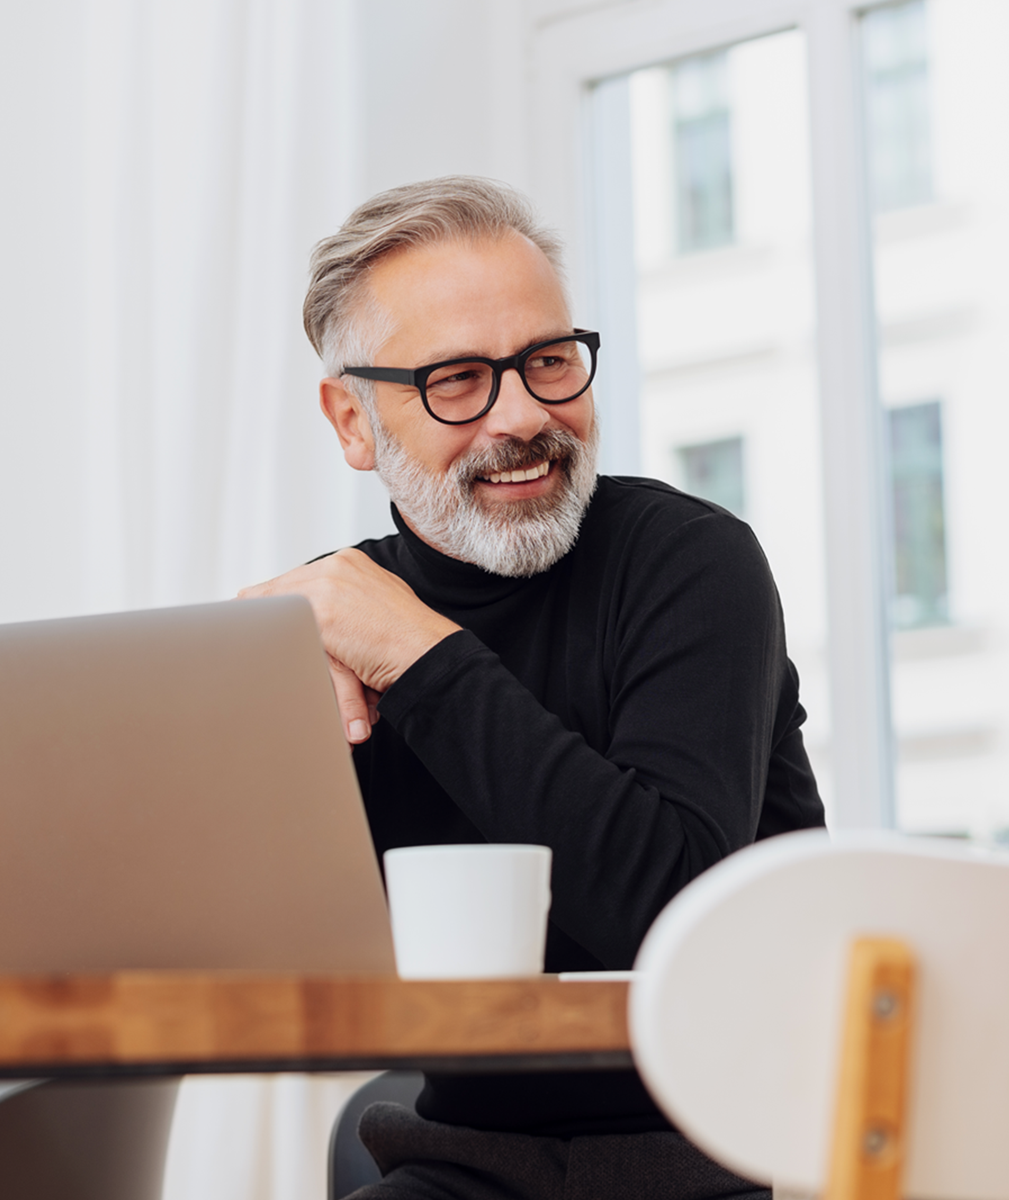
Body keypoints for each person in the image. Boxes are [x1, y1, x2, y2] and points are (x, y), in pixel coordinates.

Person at [240, 176, 826, 1200]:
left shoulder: (693, 563)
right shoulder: (329, 621)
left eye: (550, 362)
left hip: (725, 1161)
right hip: (466, 1165)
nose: (526, 415)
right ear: (352, 421)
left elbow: (672, 910)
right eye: (458, 380)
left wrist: (420, 656)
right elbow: (270, 946)